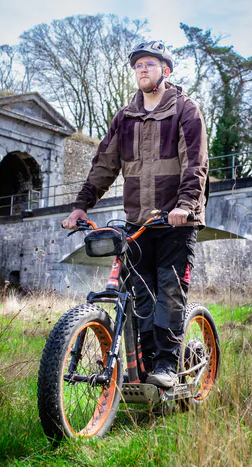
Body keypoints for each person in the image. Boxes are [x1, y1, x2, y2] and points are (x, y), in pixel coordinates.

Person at [62, 40, 209, 388]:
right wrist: (81, 204)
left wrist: (185, 206)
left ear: (165, 70)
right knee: (141, 297)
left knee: (170, 293)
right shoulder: (125, 118)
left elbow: (195, 165)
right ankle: (142, 368)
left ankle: (167, 366)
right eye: (138, 65)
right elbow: (104, 165)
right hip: (137, 223)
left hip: (175, 222)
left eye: (150, 64)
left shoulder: (185, 111)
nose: (142, 70)